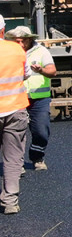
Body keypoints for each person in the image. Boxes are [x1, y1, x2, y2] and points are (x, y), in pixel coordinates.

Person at [8, 27, 54, 171]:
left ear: (30, 39)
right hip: (16, 98)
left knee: (41, 131)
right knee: (15, 134)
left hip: (39, 99)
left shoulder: (41, 51)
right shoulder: (9, 52)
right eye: (17, 41)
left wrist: (41, 70)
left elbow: (52, 71)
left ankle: (37, 157)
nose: (20, 44)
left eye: (23, 40)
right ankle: (17, 163)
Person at [0, 32, 29, 214]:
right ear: (3, 31)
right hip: (14, 109)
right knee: (12, 157)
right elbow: (25, 74)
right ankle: (10, 201)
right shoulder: (16, 49)